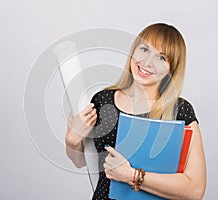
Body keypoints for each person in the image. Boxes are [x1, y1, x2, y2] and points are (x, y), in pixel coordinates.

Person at [65, 23, 206, 200]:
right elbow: (81, 161)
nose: (147, 62)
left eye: (161, 58)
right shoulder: (103, 101)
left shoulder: (180, 111)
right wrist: (72, 142)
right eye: (144, 49)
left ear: (172, 69)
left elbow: (195, 190)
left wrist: (132, 176)